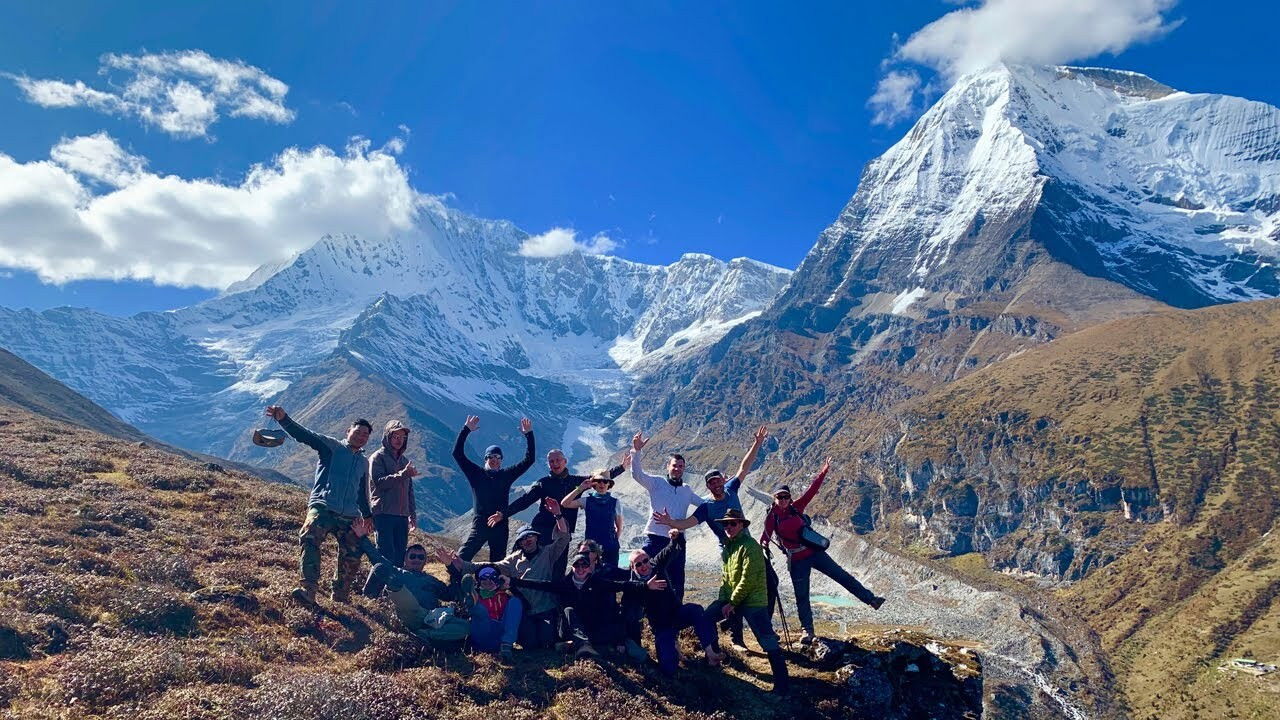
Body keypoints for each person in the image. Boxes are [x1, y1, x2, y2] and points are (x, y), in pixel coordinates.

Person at [653, 425, 775, 648]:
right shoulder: (707, 507)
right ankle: (737, 638)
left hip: (749, 545)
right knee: (735, 591)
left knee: (771, 582)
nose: (716, 484)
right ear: (708, 487)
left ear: (722, 480)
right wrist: (670, 522)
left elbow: (743, 468)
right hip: (730, 552)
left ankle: (765, 629)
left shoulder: (731, 489)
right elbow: (687, 523)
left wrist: (757, 443)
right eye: (711, 483)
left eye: (718, 480)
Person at [760, 459, 885, 645]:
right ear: (774, 498)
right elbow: (765, 536)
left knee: (842, 576)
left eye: (786, 497)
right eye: (780, 497)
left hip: (814, 553)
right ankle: (807, 631)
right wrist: (763, 550)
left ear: (790, 498)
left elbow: (812, 490)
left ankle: (871, 599)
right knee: (802, 596)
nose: (783, 500)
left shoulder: (797, 507)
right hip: (796, 560)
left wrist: (824, 471)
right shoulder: (772, 517)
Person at [265, 405, 374, 605]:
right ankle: (308, 589)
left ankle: (340, 597)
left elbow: (360, 491)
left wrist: (367, 516)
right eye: (357, 432)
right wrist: (283, 419)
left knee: (353, 554)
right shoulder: (332, 447)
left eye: (365, 435)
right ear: (347, 432)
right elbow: (306, 435)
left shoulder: (363, 462)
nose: (361, 437)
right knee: (309, 537)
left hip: (349, 515)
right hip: (323, 506)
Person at [492, 449, 627, 578]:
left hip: (564, 533)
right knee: (538, 566)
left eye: (558, 460)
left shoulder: (576, 481)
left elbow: (600, 479)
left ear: (565, 461)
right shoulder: (543, 483)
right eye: (551, 461)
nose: (555, 464)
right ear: (548, 464)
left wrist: (622, 467)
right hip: (543, 531)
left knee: (559, 569)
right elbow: (524, 501)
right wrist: (504, 514)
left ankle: (556, 600)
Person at [445, 512, 570, 650]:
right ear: (519, 543)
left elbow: (563, 538)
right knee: (530, 644)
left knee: (546, 642)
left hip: (546, 608)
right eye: (523, 539)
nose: (527, 540)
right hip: (526, 610)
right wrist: (463, 564)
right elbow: (492, 565)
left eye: (530, 536)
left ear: (536, 537)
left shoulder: (548, 553)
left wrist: (558, 515)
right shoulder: (514, 559)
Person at [512, 551, 665, 660]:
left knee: (615, 628)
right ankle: (584, 645)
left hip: (592, 627)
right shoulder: (564, 584)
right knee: (568, 610)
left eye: (584, 565)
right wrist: (512, 582)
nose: (580, 569)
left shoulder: (597, 582)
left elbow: (622, 585)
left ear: (589, 568)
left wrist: (645, 586)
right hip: (569, 629)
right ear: (572, 567)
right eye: (576, 565)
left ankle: (576, 645)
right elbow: (540, 585)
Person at [704, 508, 789, 694]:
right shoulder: (729, 546)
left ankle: (782, 685)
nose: (728, 527)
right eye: (726, 524)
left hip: (753, 601)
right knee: (707, 617)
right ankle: (716, 658)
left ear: (742, 524)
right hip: (734, 599)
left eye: (733, 523)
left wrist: (732, 603)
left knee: (767, 641)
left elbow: (747, 579)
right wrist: (724, 600)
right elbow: (726, 579)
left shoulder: (750, 546)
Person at [352, 524, 470, 645]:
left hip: (430, 618)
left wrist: (450, 566)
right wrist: (362, 538)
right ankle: (394, 586)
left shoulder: (432, 580)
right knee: (395, 583)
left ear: (425, 562)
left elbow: (451, 595)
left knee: (466, 627)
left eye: (420, 557)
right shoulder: (398, 572)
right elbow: (376, 557)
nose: (416, 559)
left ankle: (423, 635)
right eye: (412, 556)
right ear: (405, 559)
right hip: (407, 614)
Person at [626, 529, 721, 674]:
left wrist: (676, 538)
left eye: (645, 560)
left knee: (696, 610)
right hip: (662, 627)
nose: (644, 565)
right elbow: (630, 615)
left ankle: (710, 653)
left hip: (677, 614)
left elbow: (671, 549)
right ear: (633, 568)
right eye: (638, 564)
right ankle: (674, 654)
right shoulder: (634, 586)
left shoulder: (657, 565)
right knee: (668, 668)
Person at [628, 431, 705, 601]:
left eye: (680, 466)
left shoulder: (686, 489)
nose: (677, 469)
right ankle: (635, 609)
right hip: (656, 539)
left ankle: (676, 612)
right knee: (637, 569)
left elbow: (703, 503)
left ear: (684, 469)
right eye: (674, 465)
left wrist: (722, 488)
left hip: (677, 541)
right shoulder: (657, 483)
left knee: (677, 579)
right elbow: (637, 475)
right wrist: (637, 452)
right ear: (668, 467)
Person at [453, 415, 535, 561]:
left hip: (500, 525)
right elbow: (457, 454)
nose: (495, 461)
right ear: (486, 459)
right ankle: (455, 580)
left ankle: (492, 583)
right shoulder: (476, 473)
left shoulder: (506, 475)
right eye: (491, 457)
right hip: (480, 524)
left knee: (498, 563)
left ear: (501, 461)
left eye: (498, 458)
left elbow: (529, 460)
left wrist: (529, 434)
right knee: (462, 558)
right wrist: (466, 430)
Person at [368, 419, 418, 567]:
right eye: (396, 437)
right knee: (385, 555)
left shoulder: (404, 461)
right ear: (387, 437)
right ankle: (372, 589)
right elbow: (380, 483)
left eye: (402, 438)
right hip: (383, 513)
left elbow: (409, 491)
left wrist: (412, 514)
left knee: (399, 556)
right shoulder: (378, 457)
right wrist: (403, 474)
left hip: (401, 516)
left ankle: (391, 590)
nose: (399, 441)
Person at [560, 469, 626, 571]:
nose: (602, 484)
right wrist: (580, 488)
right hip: (590, 548)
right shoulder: (587, 500)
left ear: (609, 484)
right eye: (599, 481)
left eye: (605, 481)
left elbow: (619, 526)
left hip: (610, 548)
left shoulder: (616, 502)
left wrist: (614, 541)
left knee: (611, 577)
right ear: (594, 483)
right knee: (590, 573)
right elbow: (565, 503)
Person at [462, 567, 522, 662]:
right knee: (480, 611)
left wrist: (511, 587)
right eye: (484, 580)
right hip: (481, 634)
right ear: (479, 582)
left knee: (516, 602)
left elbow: (515, 615)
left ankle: (506, 647)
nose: (487, 582)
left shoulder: (505, 596)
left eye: (491, 579)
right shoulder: (477, 596)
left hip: (499, 639)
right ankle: (471, 602)